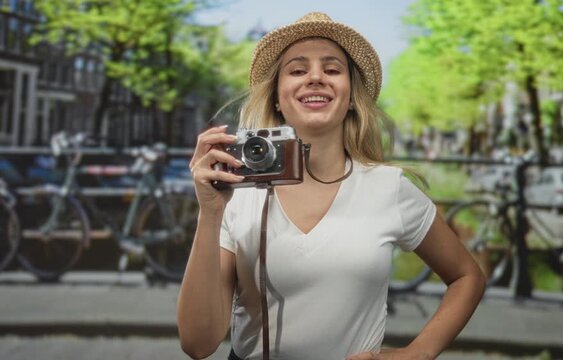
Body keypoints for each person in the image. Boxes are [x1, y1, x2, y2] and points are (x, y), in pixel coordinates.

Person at [177, 12, 485, 360]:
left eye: (332, 69)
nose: (315, 78)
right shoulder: (237, 192)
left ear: (351, 96)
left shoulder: (389, 187)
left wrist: (418, 353)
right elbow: (197, 344)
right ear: (278, 96)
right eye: (297, 70)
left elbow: (466, 276)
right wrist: (210, 212)